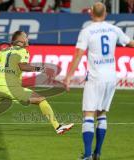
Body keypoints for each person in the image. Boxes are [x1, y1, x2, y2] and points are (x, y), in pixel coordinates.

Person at [64, 2, 134, 160]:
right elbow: (130, 43)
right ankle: (97, 153)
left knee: (88, 114)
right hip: (111, 77)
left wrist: (68, 76)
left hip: (95, 78)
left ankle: (88, 155)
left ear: (91, 13)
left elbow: (78, 54)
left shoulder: (87, 31)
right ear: (105, 14)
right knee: (102, 114)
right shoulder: (114, 29)